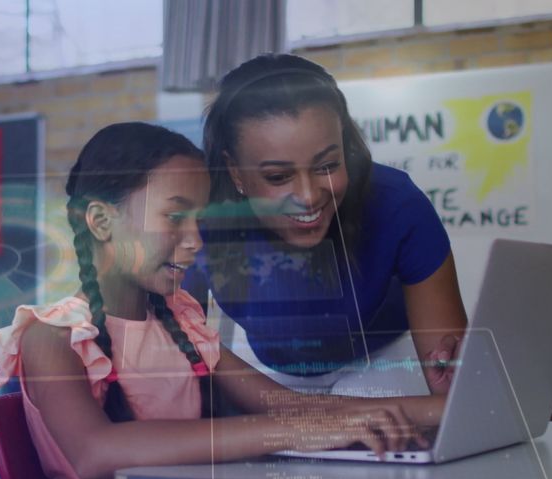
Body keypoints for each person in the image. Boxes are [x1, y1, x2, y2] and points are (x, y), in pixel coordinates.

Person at [0, 122, 445, 479]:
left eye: (200, 221)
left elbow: (287, 405)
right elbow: (95, 452)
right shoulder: (53, 337)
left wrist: (444, 409)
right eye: (175, 217)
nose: (195, 241)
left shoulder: (182, 324)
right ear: (102, 221)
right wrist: (295, 431)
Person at [190, 53, 468, 398]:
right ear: (235, 172)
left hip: (383, 360)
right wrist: (293, 409)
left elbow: (454, 394)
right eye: (278, 176)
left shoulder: (398, 203)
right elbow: (181, 341)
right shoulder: (199, 221)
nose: (308, 197)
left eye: (327, 166)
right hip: (266, 371)